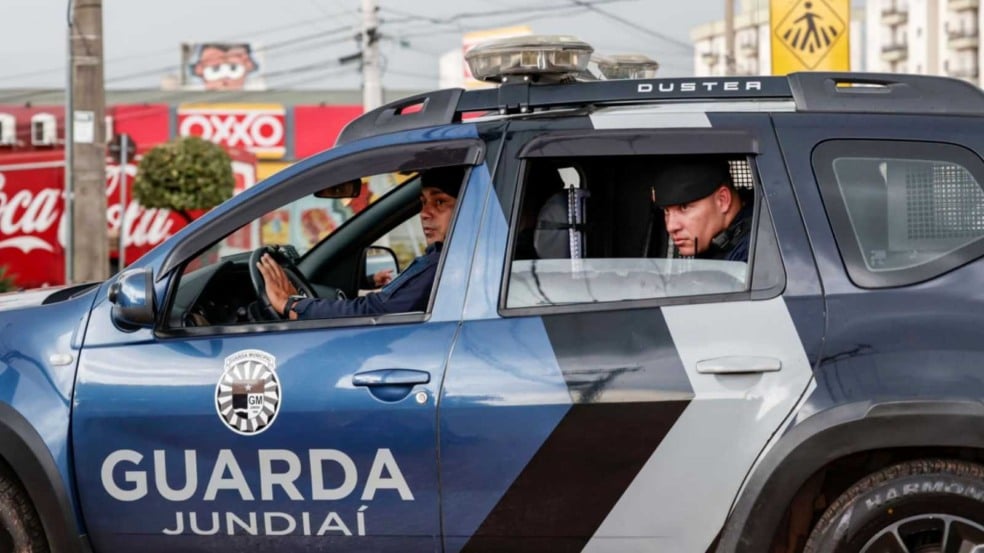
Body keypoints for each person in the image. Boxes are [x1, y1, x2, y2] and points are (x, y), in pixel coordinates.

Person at [257, 167, 464, 320]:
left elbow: (374, 314)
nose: (425, 214)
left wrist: (290, 305)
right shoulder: (452, 258)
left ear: (468, 205)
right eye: (423, 203)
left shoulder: (446, 265)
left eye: (440, 202)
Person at [656, 160, 752, 262]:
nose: (671, 227)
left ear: (722, 200)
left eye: (684, 207)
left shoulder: (753, 252)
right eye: (666, 210)